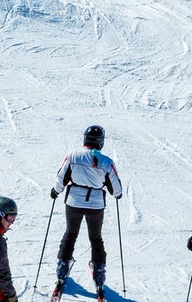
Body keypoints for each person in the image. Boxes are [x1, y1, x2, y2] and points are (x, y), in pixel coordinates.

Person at [51, 125, 123, 300]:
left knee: (70, 233)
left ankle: (62, 270)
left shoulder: (73, 156)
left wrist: (55, 191)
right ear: (101, 142)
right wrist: (118, 195)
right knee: (96, 238)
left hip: (74, 202)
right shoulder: (106, 162)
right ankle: (99, 274)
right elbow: (116, 189)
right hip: (95, 205)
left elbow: (61, 177)